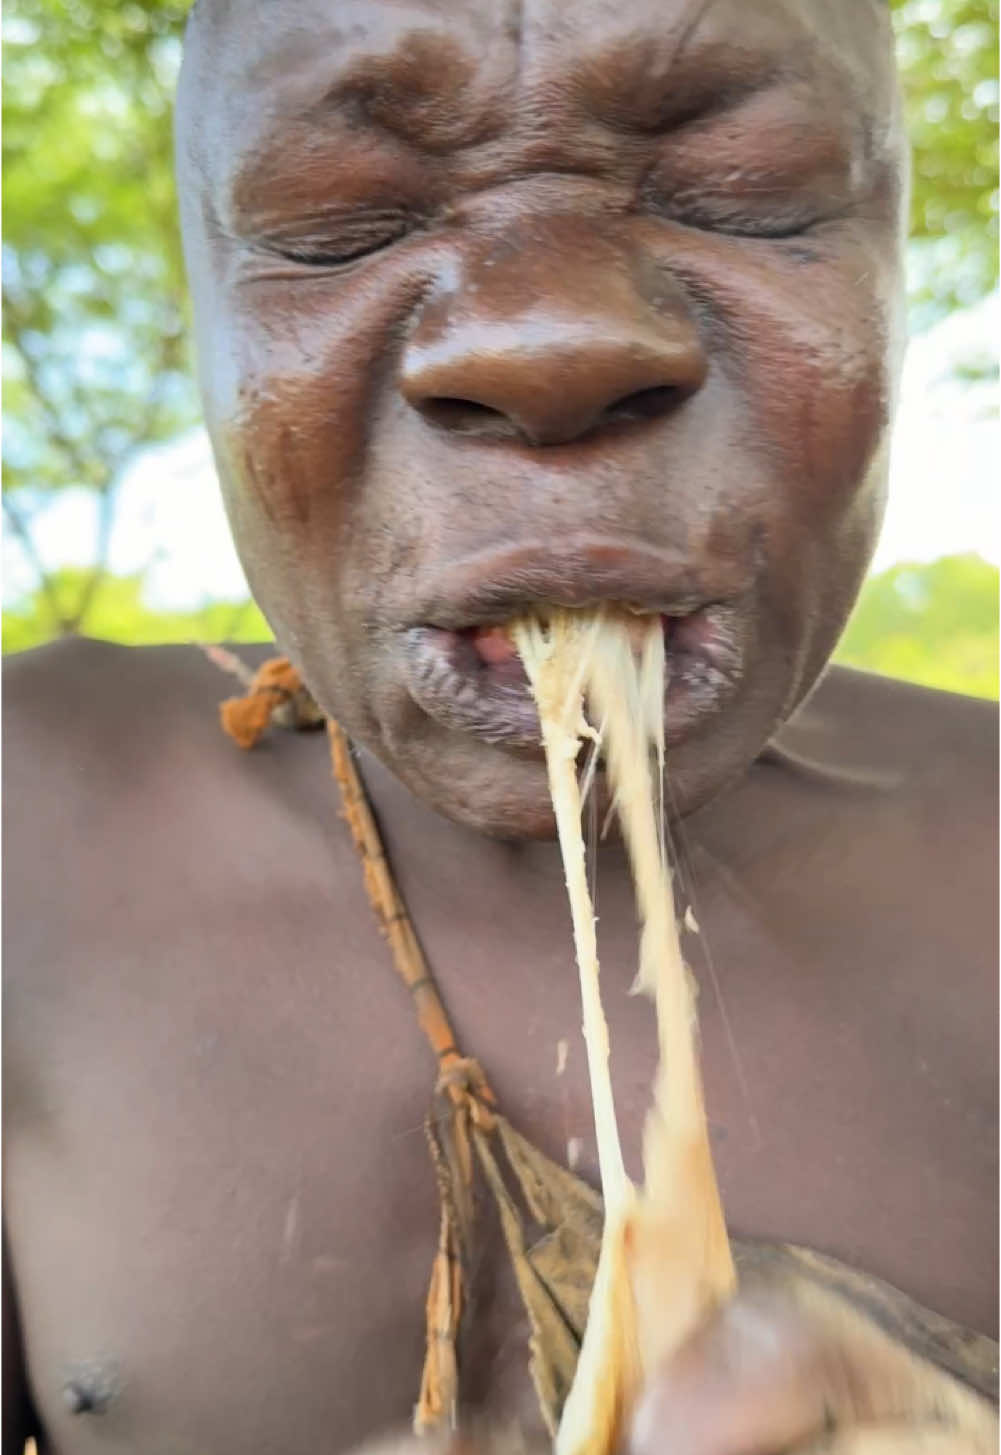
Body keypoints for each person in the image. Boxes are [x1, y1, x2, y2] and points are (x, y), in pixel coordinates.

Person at [3, 0, 997, 1450]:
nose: (549, 335)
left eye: (746, 191)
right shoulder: (34, 838)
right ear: (200, 325)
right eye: (338, 226)